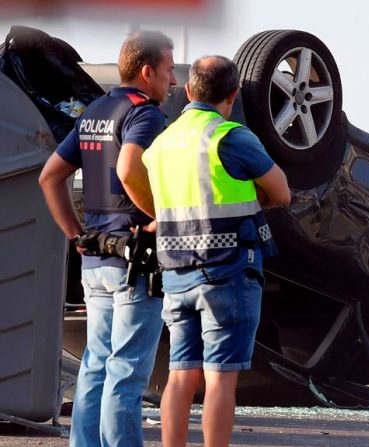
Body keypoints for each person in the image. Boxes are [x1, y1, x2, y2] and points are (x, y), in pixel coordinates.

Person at [137, 55, 290, 447]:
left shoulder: (160, 145)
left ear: (188, 90)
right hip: (227, 273)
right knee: (220, 377)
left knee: (180, 376)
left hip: (175, 274)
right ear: (234, 94)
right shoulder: (231, 136)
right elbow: (282, 192)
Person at [38, 30, 176, 447]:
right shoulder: (144, 114)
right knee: (128, 371)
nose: (173, 82)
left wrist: (75, 235)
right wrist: (165, 217)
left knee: (96, 366)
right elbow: (130, 169)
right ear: (148, 70)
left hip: (95, 259)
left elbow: (50, 177)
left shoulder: (96, 110)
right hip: (134, 263)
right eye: (169, 70)